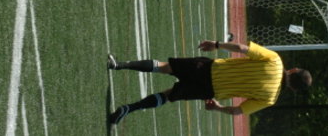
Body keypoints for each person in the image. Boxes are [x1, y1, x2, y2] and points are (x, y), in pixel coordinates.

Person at [107, 39, 312, 125]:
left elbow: (241, 48)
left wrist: (217, 44)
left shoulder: (275, 60)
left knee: (165, 67)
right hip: (210, 90)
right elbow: (237, 111)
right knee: (169, 96)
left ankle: (119, 65)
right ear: (293, 89)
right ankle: (127, 109)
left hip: (209, 68)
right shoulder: (270, 99)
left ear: (294, 70)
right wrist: (218, 108)